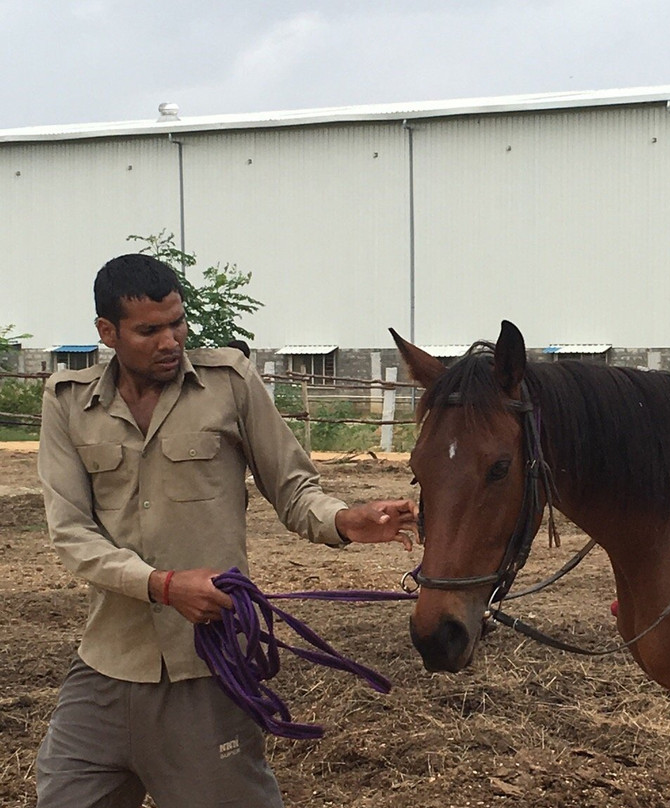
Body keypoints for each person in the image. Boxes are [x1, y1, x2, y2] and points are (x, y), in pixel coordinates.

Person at [35, 253, 419, 807]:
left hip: (206, 668)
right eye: (149, 330)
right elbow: (71, 533)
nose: (170, 340)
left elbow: (292, 488)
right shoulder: (68, 401)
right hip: (105, 667)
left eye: (177, 323)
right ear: (107, 333)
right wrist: (163, 585)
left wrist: (344, 520)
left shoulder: (229, 382)